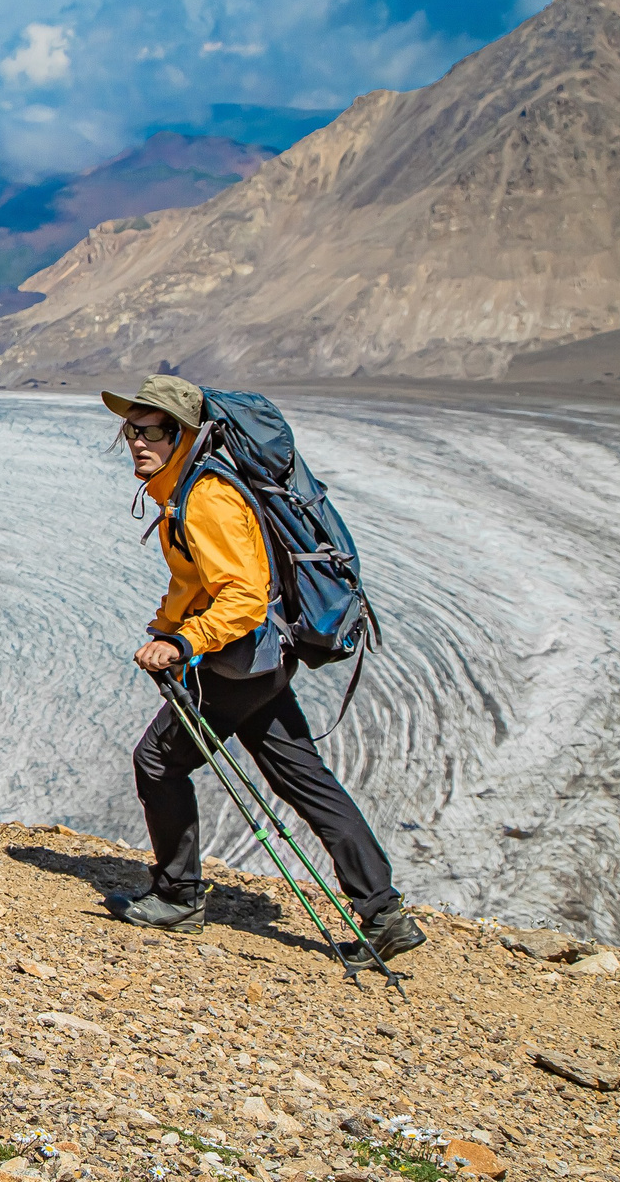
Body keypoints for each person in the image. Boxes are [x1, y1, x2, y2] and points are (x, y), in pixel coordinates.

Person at [105, 374, 424, 957]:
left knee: (156, 762)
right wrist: (167, 625)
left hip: (236, 663)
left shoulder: (206, 498)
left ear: (185, 435)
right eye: (133, 428)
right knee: (302, 777)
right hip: (259, 664)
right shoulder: (186, 492)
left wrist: (182, 644)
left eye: (154, 430)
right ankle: (383, 913)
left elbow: (243, 596)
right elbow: (192, 581)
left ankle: (178, 897)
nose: (139, 441)